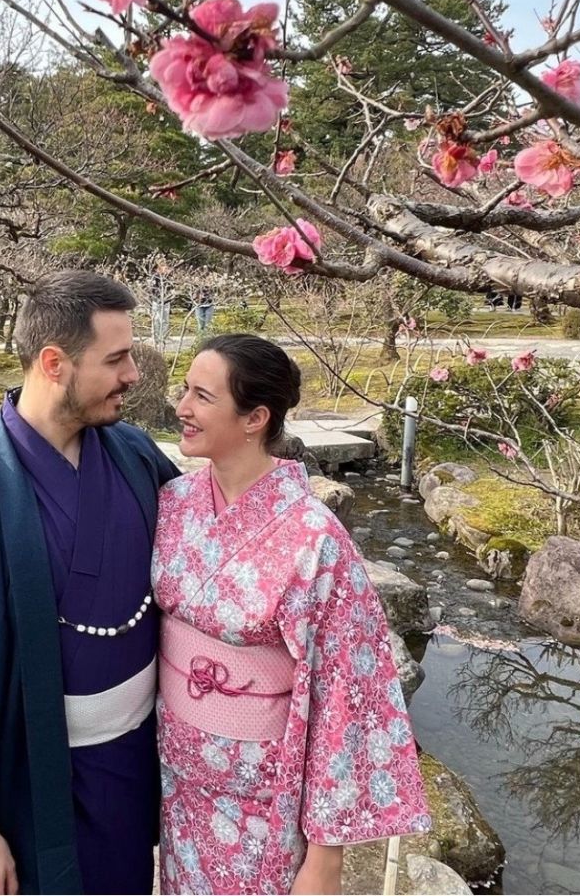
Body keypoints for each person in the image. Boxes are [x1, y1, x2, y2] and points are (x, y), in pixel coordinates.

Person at [0, 270, 181, 895]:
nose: (134, 374)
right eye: (116, 359)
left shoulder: (134, 455)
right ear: (54, 363)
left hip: (134, 757)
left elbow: (210, 557)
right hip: (29, 776)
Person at [152, 334, 431, 895]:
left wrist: (326, 855)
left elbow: (350, 695)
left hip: (263, 797)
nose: (181, 407)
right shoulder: (175, 502)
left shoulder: (314, 536)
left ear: (255, 418)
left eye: (202, 396)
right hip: (177, 779)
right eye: (185, 391)